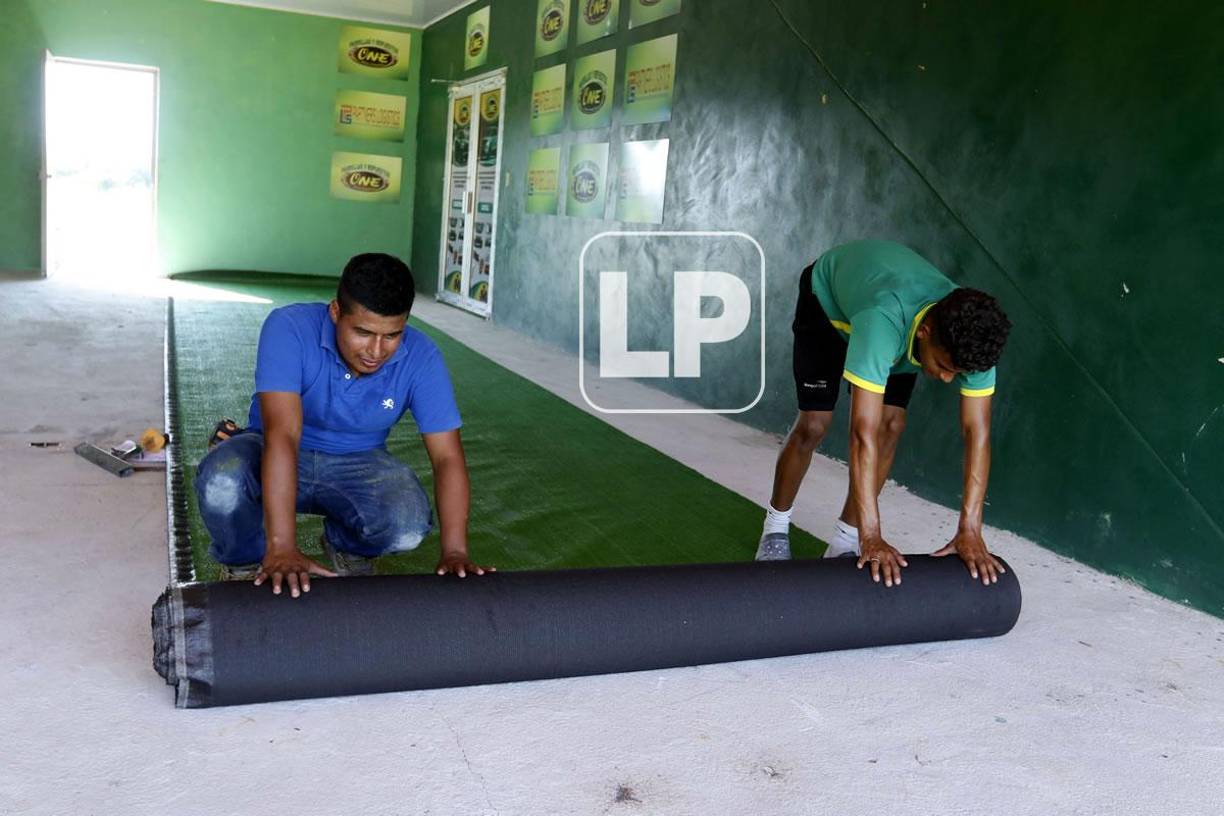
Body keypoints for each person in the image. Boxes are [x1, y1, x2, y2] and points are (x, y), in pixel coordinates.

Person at [195, 253, 491, 598]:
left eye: (392, 335)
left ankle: (348, 547)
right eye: (363, 332)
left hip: (359, 462)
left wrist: (455, 551)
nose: (376, 351)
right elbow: (284, 436)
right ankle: (245, 561)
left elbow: (447, 457)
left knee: (406, 525)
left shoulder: (423, 358)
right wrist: (282, 546)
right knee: (222, 477)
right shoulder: (289, 328)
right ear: (335, 312)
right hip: (273, 447)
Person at [755, 239, 1011, 588]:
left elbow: (976, 433)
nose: (948, 379)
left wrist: (970, 529)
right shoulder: (884, 320)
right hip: (829, 308)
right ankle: (775, 528)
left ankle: (844, 541)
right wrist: (872, 536)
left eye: (958, 373)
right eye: (943, 367)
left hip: (895, 323)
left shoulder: (974, 339)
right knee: (814, 425)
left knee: (891, 425)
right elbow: (861, 432)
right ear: (926, 333)